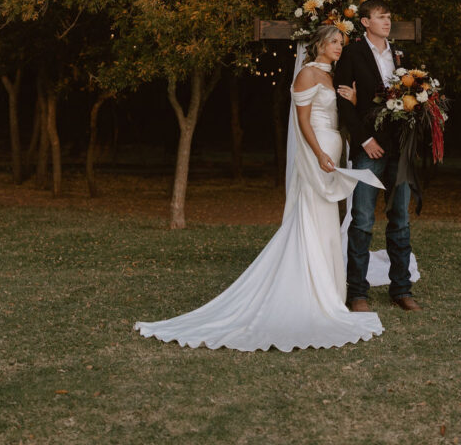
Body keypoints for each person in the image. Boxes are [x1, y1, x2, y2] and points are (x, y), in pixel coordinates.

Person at [134, 25, 385, 351]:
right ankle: (308, 291)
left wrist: (350, 99)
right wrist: (319, 153)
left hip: (334, 149)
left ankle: (330, 292)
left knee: (328, 222)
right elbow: (303, 122)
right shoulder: (307, 74)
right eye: (335, 41)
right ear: (320, 44)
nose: (340, 46)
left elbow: (341, 115)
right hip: (318, 154)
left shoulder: (331, 76)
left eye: (342, 42)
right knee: (311, 217)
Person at [336, 0, 422, 312]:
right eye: (380, 17)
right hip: (368, 150)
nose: (387, 22)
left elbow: (410, 97)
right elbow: (344, 102)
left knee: (399, 221)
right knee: (362, 221)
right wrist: (365, 140)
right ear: (365, 22)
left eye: (389, 17)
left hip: (399, 149)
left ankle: (401, 289)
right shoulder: (352, 53)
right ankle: (357, 293)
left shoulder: (401, 55)